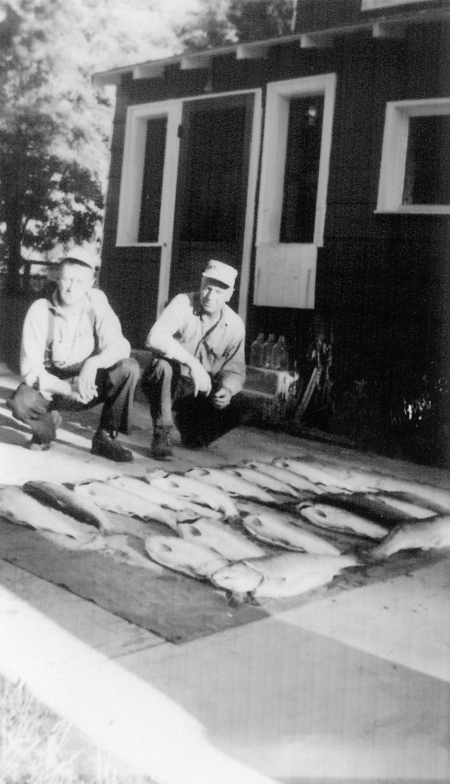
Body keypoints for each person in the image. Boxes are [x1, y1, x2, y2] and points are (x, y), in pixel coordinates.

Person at [8, 247, 140, 462]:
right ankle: (47, 426)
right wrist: (68, 389)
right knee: (21, 401)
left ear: (90, 284)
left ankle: (106, 437)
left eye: (79, 282)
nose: (71, 288)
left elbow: (120, 345)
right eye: (67, 279)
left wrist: (94, 363)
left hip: (88, 384)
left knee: (128, 367)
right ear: (58, 279)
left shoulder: (97, 301)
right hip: (53, 388)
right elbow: (31, 372)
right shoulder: (41, 309)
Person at [142, 259, 246, 460]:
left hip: (199, 390)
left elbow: (235, 369)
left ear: (230, 295)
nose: (210, 296)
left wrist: (227, 389)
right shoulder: (183, 302)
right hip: (169, 382)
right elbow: (155, 337)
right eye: (207, 287)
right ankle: (162, 433)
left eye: (219, 291)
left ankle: (195, 434)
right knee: (163, 366)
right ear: (201, 284)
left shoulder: (234, 325)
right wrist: (193, 363)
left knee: (243, 402)